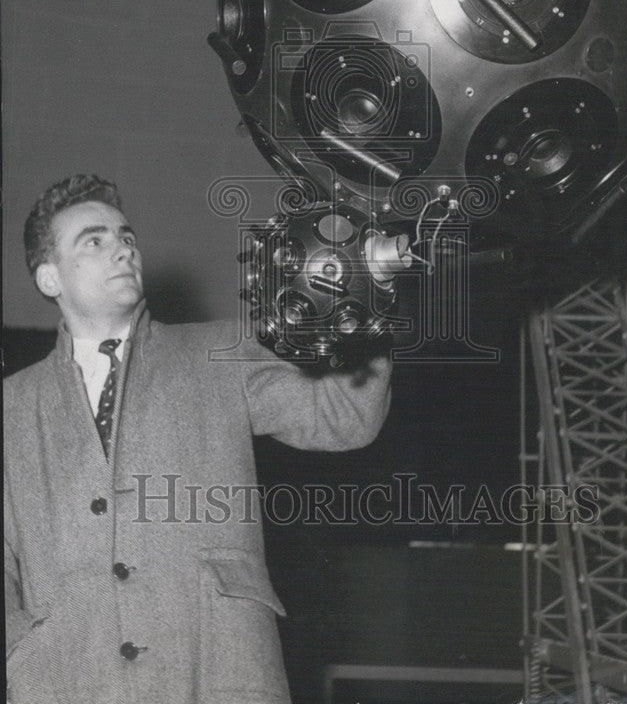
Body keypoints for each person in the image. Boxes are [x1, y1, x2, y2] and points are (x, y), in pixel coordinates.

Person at [4, 174, 393, 704]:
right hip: (66, 680)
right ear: (49, 277)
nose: (121, 248)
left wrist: (364, 303)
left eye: (127, 237)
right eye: (93, 240)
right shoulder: (12, 406)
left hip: (219, 669)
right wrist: (21, 649)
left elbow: (345, 416)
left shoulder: (219, 351)